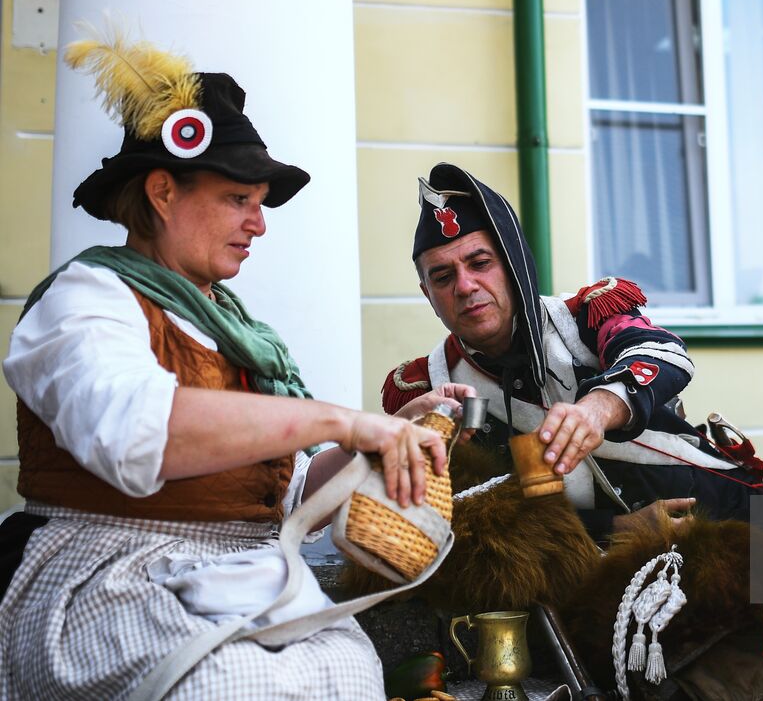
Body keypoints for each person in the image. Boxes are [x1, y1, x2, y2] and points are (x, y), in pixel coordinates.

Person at [0, 34, 453, 699]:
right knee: (229, 681)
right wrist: (341, 420)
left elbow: (278, 491)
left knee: (347, 669)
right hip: (113, 572)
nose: (259, 223)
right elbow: (135, 434)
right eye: (239, 198)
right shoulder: (86, 301)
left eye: (259, 201)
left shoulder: (240, 333)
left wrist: (385, 434)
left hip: (242, 573)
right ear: (162, 189)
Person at [381, 162, 763, 541]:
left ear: (513, 264)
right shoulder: (428, 388)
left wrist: (597, 409)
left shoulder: (586, 315)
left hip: (729, 510)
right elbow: (467, 520)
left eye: (480, 263)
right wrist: (617, 529)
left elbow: (663, 352)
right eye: (444, 277)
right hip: (596, 572)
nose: (465, 286)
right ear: (427, 295)